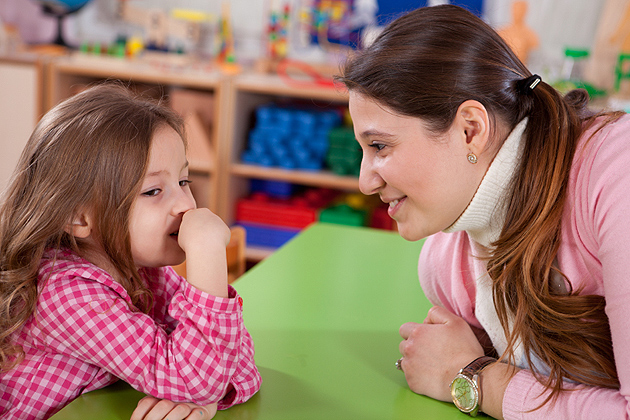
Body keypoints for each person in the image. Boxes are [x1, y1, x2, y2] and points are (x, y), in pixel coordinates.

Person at [339, 4, 628, 419]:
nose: (365, 181)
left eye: (380, 146)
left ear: (470, 129)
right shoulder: (446, 267)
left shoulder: (615, 173)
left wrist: (471, 377)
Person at [0, 84, 261, 420]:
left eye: (184, 182)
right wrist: (208, 253)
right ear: (78, 217)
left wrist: (201, 398)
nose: (185, 205)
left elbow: (233, 363)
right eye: (153, 191)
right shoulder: (68, 295)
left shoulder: (145, 270)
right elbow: (201, 377)